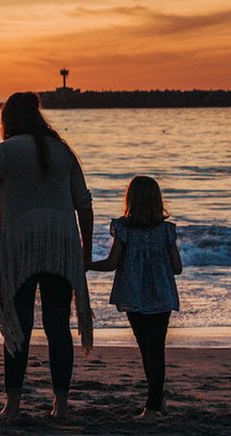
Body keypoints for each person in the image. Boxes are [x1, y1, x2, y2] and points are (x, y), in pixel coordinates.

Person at [0, 91, 93, 420]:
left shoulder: (4, 153)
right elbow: (84, 203)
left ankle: (12, 404)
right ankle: (61, 405)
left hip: (18, 249)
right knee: (57, 328)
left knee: (17, 326)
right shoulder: (63, 152)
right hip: (60, 247)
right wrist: (85, 250)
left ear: (8, 119)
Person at [88, 175, 182, 419]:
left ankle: (152, 406)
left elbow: (111, 263)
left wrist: (87, 265)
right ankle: (156, 401)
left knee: (145, 348)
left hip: (133, 295)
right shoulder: (166, 231)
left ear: (129, 200)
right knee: (156, 347)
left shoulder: (123, 229)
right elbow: (177, 267)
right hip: (161, 296)